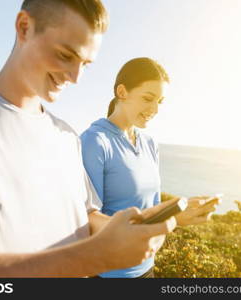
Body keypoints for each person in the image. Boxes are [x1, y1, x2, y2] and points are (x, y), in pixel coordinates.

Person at [0, 1, 188, 278]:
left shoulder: (66, 137)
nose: (76, 77)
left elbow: (86, 218)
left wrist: (136, 227)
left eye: (85, 64)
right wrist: (95, 257)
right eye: (66, 55)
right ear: (24, 27)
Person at [81, 57, 220, 278]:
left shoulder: (150, 143)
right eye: (148, 98)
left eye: (160, 101)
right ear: (122, 92)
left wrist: (179, 209)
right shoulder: (94, 141)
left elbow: (152, 206)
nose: (155, 109)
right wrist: (171, 221)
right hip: (110, 274)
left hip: (147, 267)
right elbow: (86, 219)